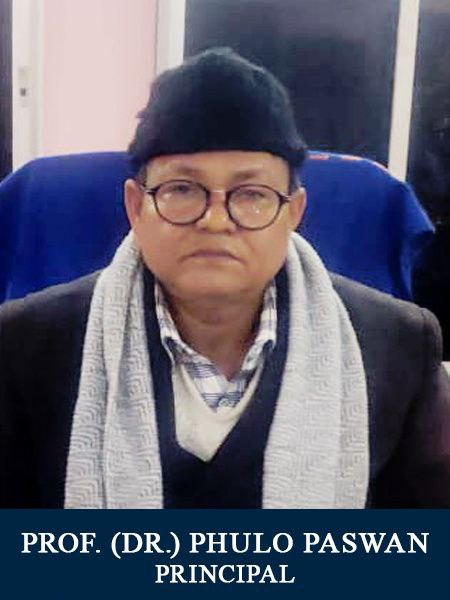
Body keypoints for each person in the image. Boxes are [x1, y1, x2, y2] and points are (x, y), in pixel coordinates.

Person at [1, 48, 450, 509]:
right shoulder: (26, 346)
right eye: (182, 189)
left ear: (293, 212)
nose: (215, 221)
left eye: (251, 194)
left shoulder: (398, 347)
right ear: (135, 207)